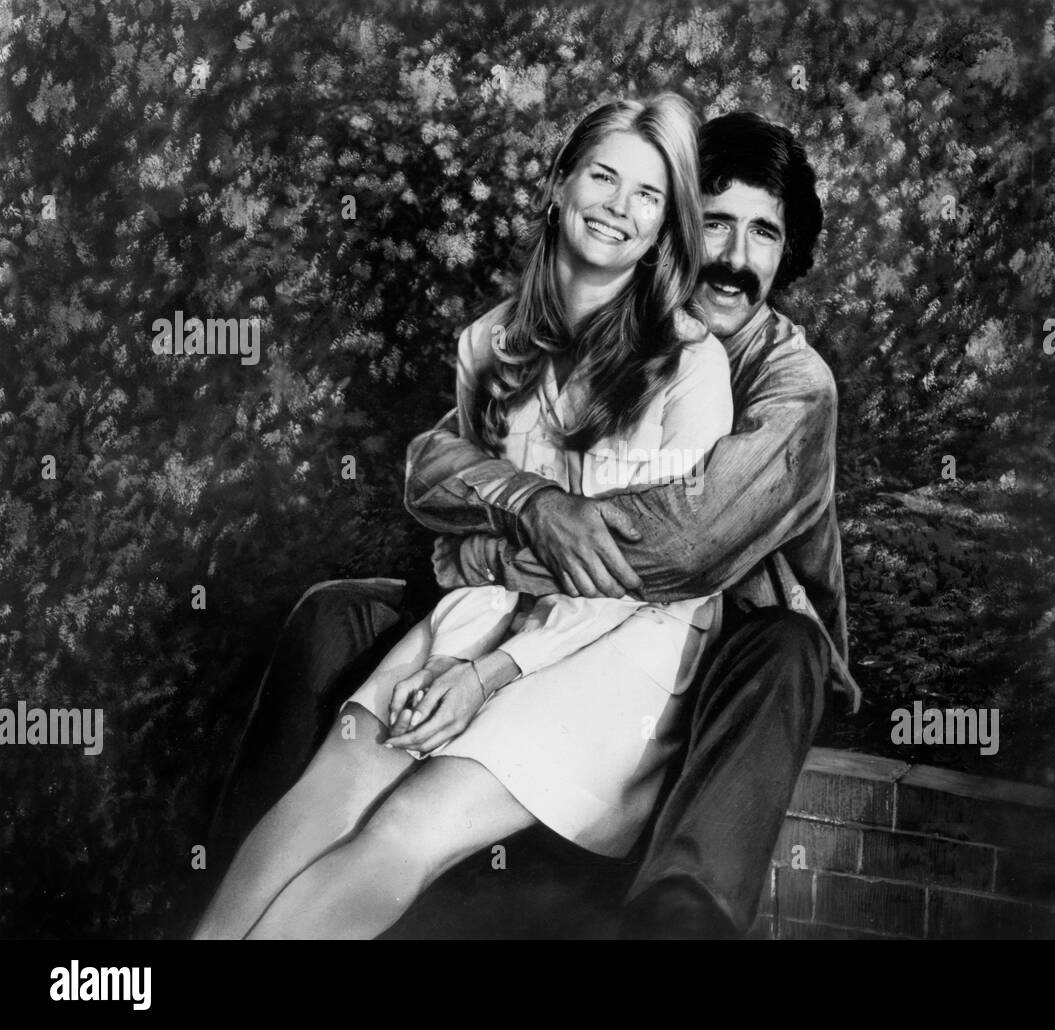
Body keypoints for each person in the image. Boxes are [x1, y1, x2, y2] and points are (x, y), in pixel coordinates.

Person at [209, 110, 858, 940]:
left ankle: (679, 918)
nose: (733, 257)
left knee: (784, 653)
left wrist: (477, 550)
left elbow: (676, 548)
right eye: (717, 222)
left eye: (763, 234)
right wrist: (527, 509)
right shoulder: (603, 322)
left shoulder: (791, 383)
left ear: (787, 253)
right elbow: (437, 464)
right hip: (546, 607)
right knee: (337, 626)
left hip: (729, 636)